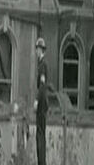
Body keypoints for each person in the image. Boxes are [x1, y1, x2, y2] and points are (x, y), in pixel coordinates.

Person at [34, 37, 52, 165]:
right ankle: (41, 161)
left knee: (40, 134)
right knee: (40, 134)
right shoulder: (41, 64)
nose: (36, 51)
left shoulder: (43, 64)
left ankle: (41, 162)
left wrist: (36, 100)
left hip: (41, 102)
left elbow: (42, 84)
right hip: (43, 101)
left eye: (37, 49)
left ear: (41, 50)